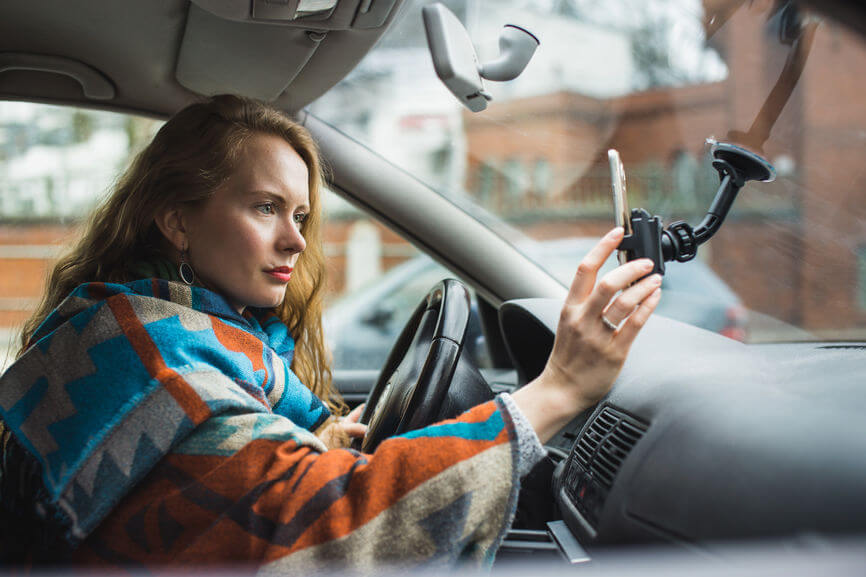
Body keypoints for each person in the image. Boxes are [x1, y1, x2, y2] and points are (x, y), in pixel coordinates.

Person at [0, 95, 661, 569]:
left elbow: (248, 462)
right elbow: (333, 529)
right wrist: (560, 391)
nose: (295, 239)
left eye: (301, 214)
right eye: (265, 207)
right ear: (178, 220)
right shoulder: (159, 371)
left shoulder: (145, 327)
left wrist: (313, 437)